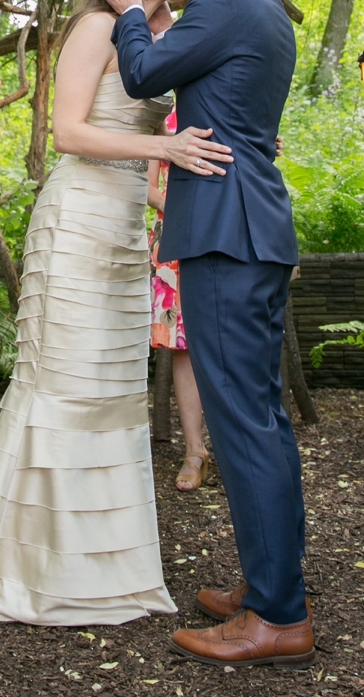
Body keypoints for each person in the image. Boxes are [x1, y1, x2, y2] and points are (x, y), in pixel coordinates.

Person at [0, 0, 232, 626]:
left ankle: (108, 571)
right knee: (64, 389)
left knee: (112, 395)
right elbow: (68, 134)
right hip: (75, 223)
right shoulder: (96, 28)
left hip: (125, 230)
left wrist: (178, 174)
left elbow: (145, 148)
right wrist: (168, 150)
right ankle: (32, 570)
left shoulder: (161, 39)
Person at [99, 0, 313, 670]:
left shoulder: (224, 2)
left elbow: (144, 70)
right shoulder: (265, 6)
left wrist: (128, 9)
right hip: (250, 226)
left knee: (243, 424)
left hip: (229, 232)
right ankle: (272, 587)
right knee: (260, 419)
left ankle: (278, 617)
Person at [147, 112, 209, 492]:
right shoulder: (163, 114)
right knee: (183, 348)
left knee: (229, 341)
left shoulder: (228, 101)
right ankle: (194, 451)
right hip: (176, 237)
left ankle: (240, 450)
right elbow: (147, 187)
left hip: (228, 230)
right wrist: (189, 216)